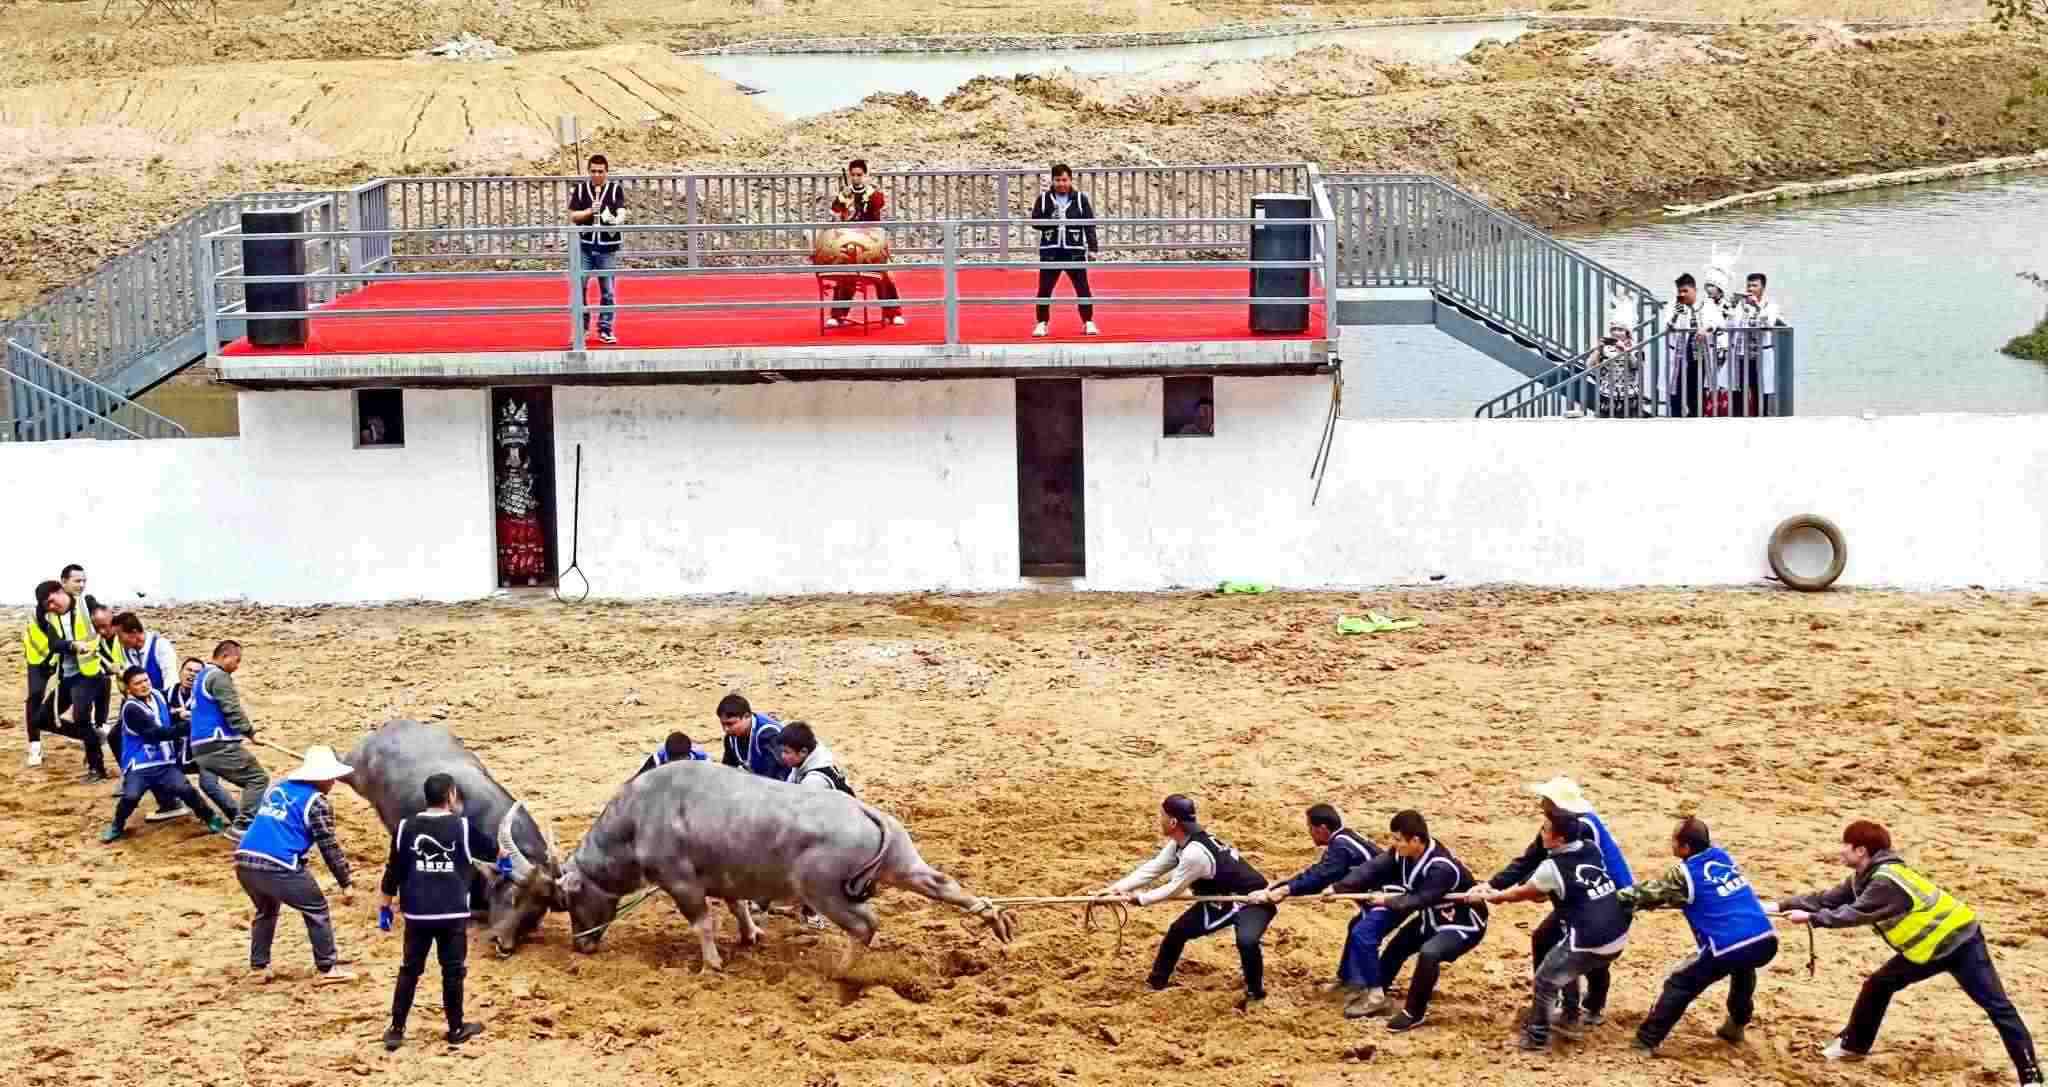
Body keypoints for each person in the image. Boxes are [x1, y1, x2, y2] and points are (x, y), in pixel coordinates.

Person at [1771, 820, 2040, 1084]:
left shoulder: (1886, 882)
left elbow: (1856, 913)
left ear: (1861, 850)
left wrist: (1813, 919)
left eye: (1845, 845)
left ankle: (2031, 1077)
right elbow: (1825, 899)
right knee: (1878, 985)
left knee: (1997, 1006)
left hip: (1962, 943)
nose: (1840, 850)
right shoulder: (1862, 878)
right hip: (1926, 951)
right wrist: (1777, 906)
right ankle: (1853, 1046)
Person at [1459, 809, 1631, 1051]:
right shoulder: (1591, 848)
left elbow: (1521, 893)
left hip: (1589, 940)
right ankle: (1571, 1016)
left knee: (1545, 979)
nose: (1541, 833)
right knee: (1565, 962)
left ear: (1559, 839)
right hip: (1618, 933)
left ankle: (1537, 1037)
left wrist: (1493, 895)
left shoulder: (1552, 867)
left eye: (1545, 830)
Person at [1482, 776, 1634, 1029]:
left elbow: (1537, 865)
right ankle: (1579, 1007)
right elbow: (1533, 859)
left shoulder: (1573, 827)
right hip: (1600, 895)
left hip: (1604, 899)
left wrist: (1501, 890)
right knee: (1573, 948)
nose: (1541, 804)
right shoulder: (1568, 824)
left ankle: (1569, 1009)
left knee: (1580, 950)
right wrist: (1493, 884)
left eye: (1545, 800)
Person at [1097, 794, 1275, 1010]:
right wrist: (1116, 889)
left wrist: (1141, 899)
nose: (1159, 820)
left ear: (1173, 822)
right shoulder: (1181, 843)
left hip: (1250, 900)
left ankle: (1255, 993)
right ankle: (1157, 982)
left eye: (1162, 816)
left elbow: (1174, 888)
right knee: (1177, 931)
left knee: (1246, 941)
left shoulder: (1195, 854)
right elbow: (1153, 868)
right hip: (1220, 898)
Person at [1619, 816, 1778, 1054]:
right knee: (1743, 969)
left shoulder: (1683, 873)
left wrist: (1618, 897)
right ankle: (1736, 1025)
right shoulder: (1722, 856)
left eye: (1674, 840)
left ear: (1685, 847)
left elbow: (1651, 895)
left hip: (1727, 946)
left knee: (1680, 984)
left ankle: (1645, 1041)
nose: (1671, 843)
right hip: (1764, 938)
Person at [1341, 809, 1489, 1032]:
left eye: (1398, 839)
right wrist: (1340, 886)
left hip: (1461, 923)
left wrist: (1386, 900)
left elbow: (1418, 900)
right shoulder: (1406, 852)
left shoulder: (1441, 867)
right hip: (1431, 917)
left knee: (1429, 953)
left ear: (1416, 840)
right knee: (1397, 946)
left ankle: (1413, 1013)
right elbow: (1373, 867)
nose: (1394, 844)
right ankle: (1377, 993)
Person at [1246, 804, 1394, 1016]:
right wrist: (1282, 887)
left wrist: (1286, 890)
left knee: (1362, 933)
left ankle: (1374, 994)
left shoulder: (1341, 845)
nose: (1309, 832)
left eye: (1310, 828)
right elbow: (1318, 871)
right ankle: (1350, 981)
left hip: (1388, 898)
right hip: (1376, 897)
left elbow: (1321, 876)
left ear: (1323, 828)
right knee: (1356, 926)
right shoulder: (1344, 839)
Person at [379, 772, 488, 1051]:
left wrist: (385, 905)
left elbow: (393, 871)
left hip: (417, 914)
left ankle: (396, 1029)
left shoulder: (405, 827)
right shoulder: (463, 828)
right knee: (453, 971)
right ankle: (456, 1028)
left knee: (410, 970)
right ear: (451, 795)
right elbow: (495, 851)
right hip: (452, 914)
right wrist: (505, 862)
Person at [235, 745, 358, 984]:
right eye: (330, 777)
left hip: (244, 860)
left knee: (266, 910)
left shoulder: (279, 787)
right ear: (320, 777)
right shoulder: (317, 803)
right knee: (316, 908)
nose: (333, 782)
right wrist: (345, 881)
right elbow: (328, 846)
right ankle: (327, 968)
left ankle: (259, 967)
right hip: (278, 863)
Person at [102, 668, 227, 842]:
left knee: (185, 789)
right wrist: (189, 726)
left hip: (163, 761)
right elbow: (155, 734)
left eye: (146, 680)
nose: (144, 685)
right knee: (130, 796)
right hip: (140, 764)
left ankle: (209, 817)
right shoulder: (131, 709)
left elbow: (167, 712)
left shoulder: (157, 695)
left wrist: (177, 713)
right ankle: (117, 824)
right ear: (129, 689)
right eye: (138, 683)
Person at [191, 640, 272, 831]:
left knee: (248, 780)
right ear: (225, 656)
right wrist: (250, 732)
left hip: (201, 747)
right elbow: (232, 709)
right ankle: (243, 826)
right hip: (218, 745)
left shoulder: (202, 675)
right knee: (257, 779)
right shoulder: (219, 676)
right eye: (237, 661)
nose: (237, 666)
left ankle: (246, 819)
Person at [38, 579, 110, 781]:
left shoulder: (87, 604)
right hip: (67, 676)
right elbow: (54, 644)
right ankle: (94, 737)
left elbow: (107, 628)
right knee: (42, 719)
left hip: (89, 674)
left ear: (60, 591)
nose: (52, 607)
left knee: (81, 718)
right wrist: (72, 645)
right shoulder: (48, 615)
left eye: (52, 601)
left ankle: (97, 768)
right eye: (47, 605)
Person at [825, 158, 905, 328]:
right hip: (849, 241)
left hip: (871, 241)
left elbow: (878, 209)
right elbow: (835, 211)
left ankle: (893, 312)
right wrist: (843, 200)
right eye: (853, 175)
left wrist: (865, 200)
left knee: (884, 275)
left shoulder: (874, 194)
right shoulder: (844, 194)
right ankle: (838, 315)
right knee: (845, 276)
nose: (856, 178)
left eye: (859, 175)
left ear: (866, 175)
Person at [1030, 164, 1100, 338]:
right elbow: (1035, 222)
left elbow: (1089, 225)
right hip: (1050, 251)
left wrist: (1093, 248)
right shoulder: (1044, 199)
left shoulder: (1080, 199)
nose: (1061, 184)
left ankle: (1088, 321)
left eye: (1064, 180)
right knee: (1044, 289)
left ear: (1070, 180)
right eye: (1058, 180)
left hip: (1074, 251)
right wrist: (1050, 220)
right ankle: (1042, 322)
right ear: (1052, 181)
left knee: (1082, 288)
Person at [567, 153, 626, 345]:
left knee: (608, 290)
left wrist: (615, 220)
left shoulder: (615, 189)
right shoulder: (581, 190)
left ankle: (605, 329)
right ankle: (582, 329)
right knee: (580, 287)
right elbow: (573, 216)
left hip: (607, 247)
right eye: (593, 171)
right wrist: (588, 212)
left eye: (600, 171)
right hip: (585, 246)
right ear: (589, 171)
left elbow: (622, 211)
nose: (597, 175)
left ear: (606, 172)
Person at [171, 655, 239, 821]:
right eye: (188, 670)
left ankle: (239, 818)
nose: (192, 674)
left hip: (207, 749)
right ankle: (172, 806)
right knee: (164, 778)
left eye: (197, 672)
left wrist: (192, 716)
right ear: (180, 672)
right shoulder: (168, 694)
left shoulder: (207, 696)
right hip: (178, 752)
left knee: (208, 784)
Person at [1662, 273, 1721, 418]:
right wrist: (1676, 314)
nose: (1682, 294)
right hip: (1679, 358)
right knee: (1676, 395)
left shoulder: (1707, 305)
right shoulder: (1674, 305)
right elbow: (1667, 326)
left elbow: (1717, 322)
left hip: (1699, 359)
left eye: (1685, 291)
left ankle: (1695, 418)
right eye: (1680, 291)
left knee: (1696, 395)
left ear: (1694, 290)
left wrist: (1706, 329)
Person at [1731, 272, 1784, 416]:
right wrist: (1733, 306)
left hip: (1760, 356)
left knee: (1760, 391)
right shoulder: (1741, 306)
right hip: (1743, 355)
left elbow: (1768, 324)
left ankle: (1761, 418)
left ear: (1763, 288)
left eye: (1754, 285)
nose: (1750, 289)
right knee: (1739, 391)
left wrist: (1757, 307)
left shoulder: (1771, 306)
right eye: (1748, 285)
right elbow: (1732, 325)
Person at [717, 693, 788, 781]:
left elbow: (774, 774)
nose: (726, 729)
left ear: (747, 716)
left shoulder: (768, 735)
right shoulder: (731, 738)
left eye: (730, 724)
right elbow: (727, 770)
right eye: (723, 724)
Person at [777, 721, 852, 794]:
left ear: (803, 752)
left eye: (786, 752)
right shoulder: (805, 757)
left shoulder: (813, 781)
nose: (782, 756)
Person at [635, 731, 708, 778]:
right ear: (668, 757)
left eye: (680, 763)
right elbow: (634, 782)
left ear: (687, 757)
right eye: (673, 763)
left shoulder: (702, 761)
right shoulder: (657, 760)